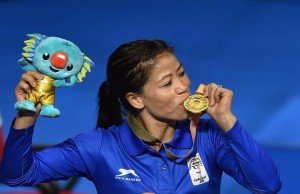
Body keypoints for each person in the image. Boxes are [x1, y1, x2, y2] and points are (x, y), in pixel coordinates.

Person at [0, 40, 281, 194]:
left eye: (181, 73)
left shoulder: (209, 137)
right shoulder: (98, 148)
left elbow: (267, 186)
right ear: (136, 99)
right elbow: (17, 176)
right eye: (167, 83)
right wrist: (27, 116)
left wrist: (227, 121)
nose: (183, 86)